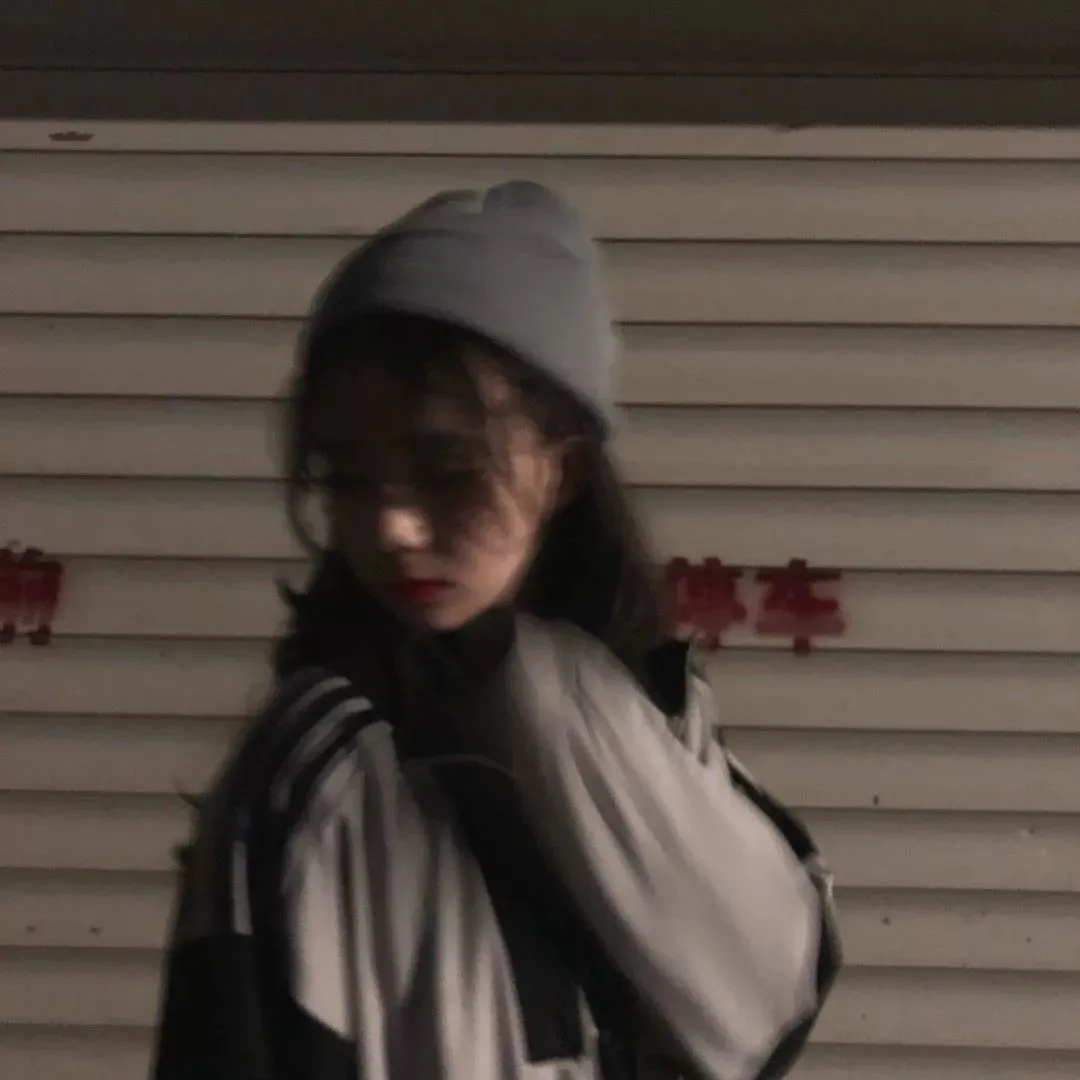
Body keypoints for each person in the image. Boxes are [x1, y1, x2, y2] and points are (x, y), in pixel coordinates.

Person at [150, 182, 841, 1080]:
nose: (392, 527)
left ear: (564, 471)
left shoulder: (649, 718)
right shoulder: (315, 773)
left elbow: (766, 1003)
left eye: (448, 472)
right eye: (348, 478)